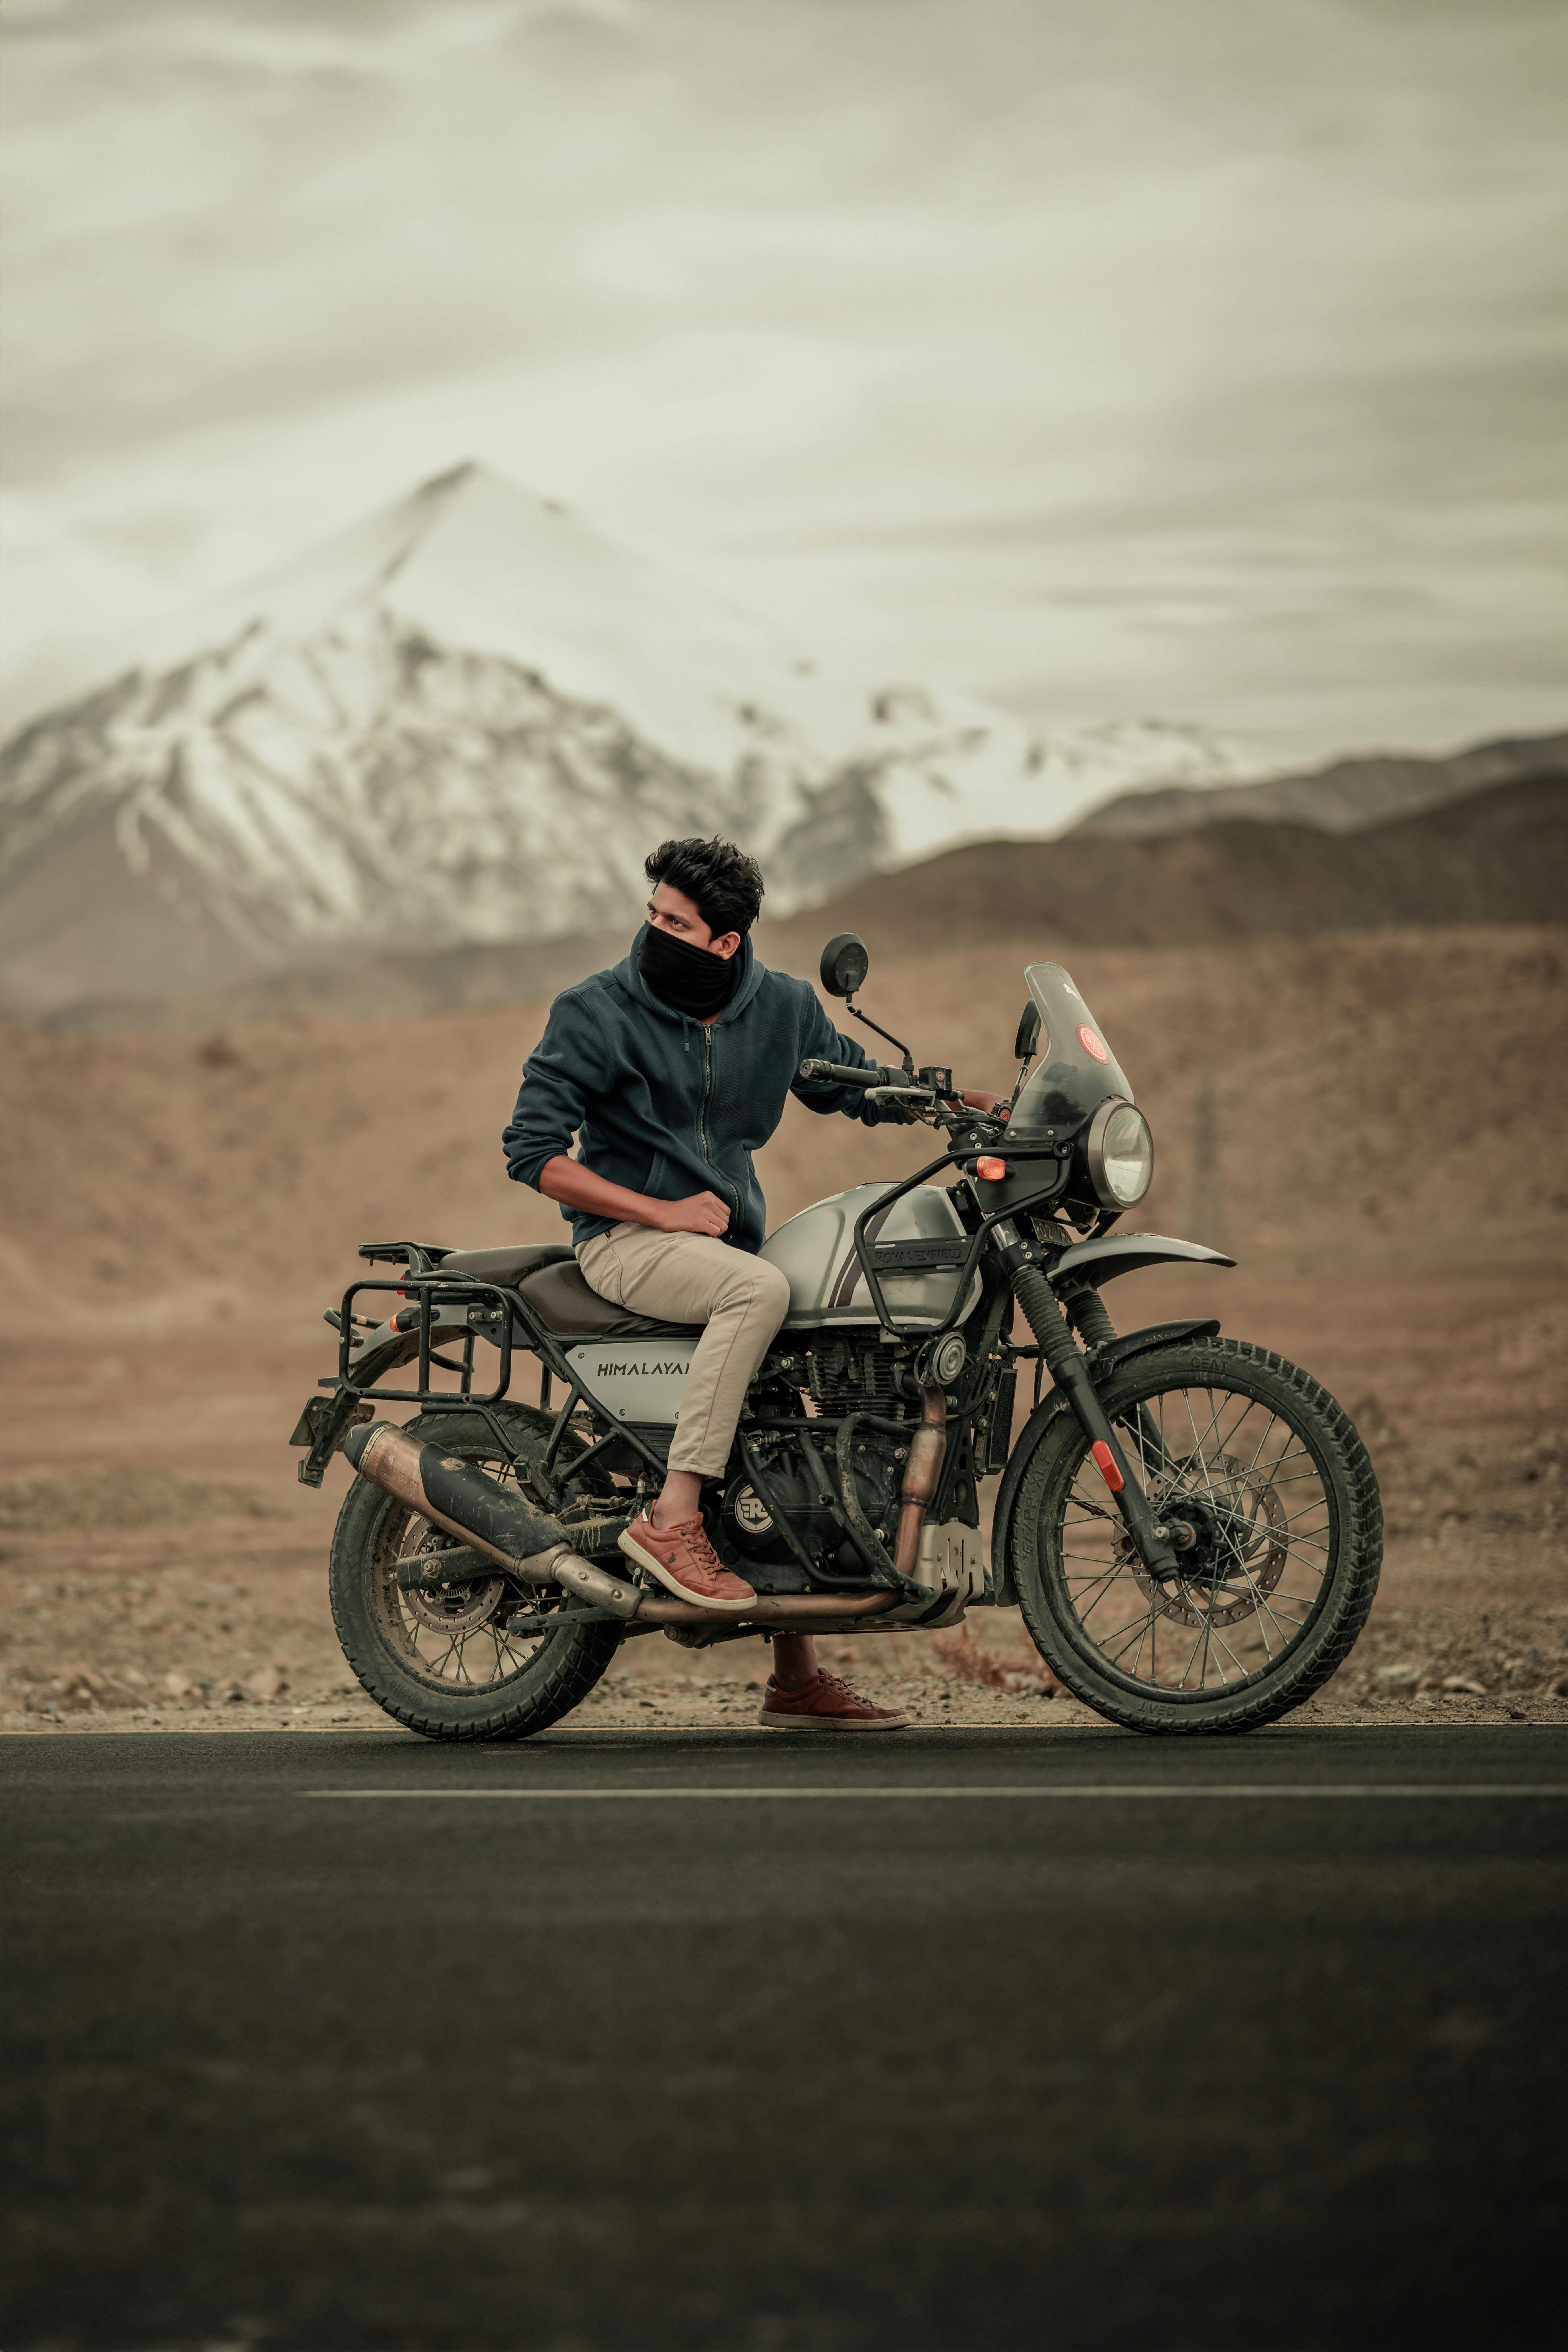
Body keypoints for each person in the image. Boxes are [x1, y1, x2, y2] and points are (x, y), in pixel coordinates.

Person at [502, 835, 915, 1731]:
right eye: (652, 914)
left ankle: (796, 1679)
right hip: (622, 1241)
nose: (655, 931)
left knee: (794, 1396)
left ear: (726, 942)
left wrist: (944, 1099)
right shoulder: (596, 1010)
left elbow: (850, 1082)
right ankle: (671, 1519)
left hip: (719, 1249)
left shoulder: (782, 1008)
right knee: (759, 1295)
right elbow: (533, 1157)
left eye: (676, 922)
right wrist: (660, 1213)